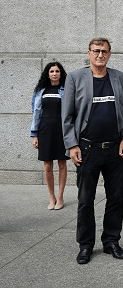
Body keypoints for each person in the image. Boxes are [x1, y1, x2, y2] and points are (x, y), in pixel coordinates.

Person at [62, 37, 123, 264]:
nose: (100, 55)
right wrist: (72, 145)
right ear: (89, 53)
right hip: (87, 149)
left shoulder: (120, 78)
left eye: (104, 51)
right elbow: (67, 116)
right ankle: (86, 245)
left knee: (115, 199)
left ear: (110, 54)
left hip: (115, 150)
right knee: (85, 200)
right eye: (96, 51)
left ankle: (111, 241)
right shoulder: (74, 78)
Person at [31, 62, 69, 210]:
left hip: (62, 131)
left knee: (62, 163)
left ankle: (60, 197)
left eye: (57, 71)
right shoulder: (41, 91)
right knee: (47, 165)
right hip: (44, 131)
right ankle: (51, 197)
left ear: (61, 74)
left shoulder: (66, 90)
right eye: (52, 71)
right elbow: (35, 113)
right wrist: (35, 135)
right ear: (47, 74)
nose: (54, 73)